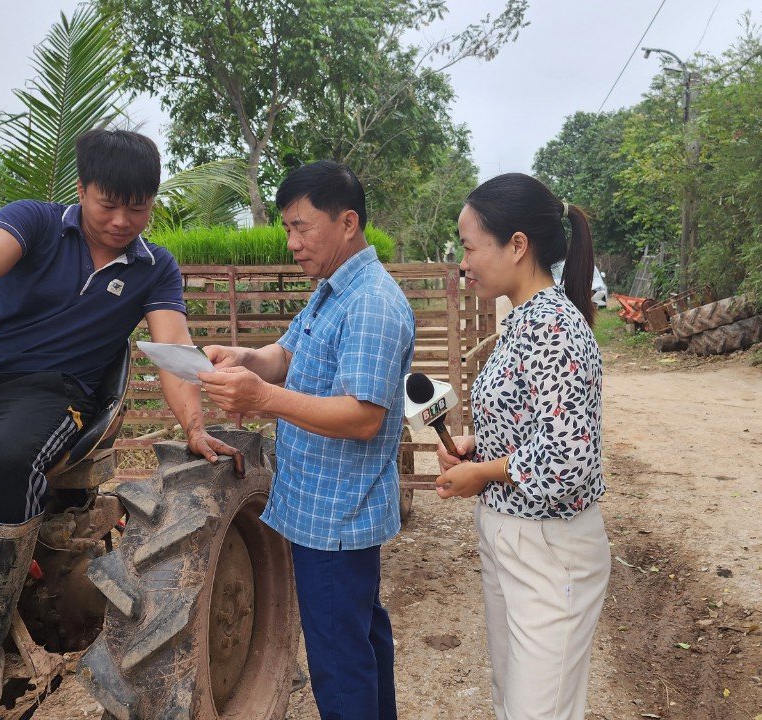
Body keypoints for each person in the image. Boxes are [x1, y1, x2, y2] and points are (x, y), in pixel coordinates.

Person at [0, 129, 238, 720]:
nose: (121, 220)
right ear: (81, 190)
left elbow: (172, 347)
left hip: (55, 394)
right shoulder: (33, 221)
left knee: (8, 460)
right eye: (107, 204)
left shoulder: (154, 269)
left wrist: (192, 424)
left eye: (137, 207)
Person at [199, 160, 414, 720]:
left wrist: (261, 398)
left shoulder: (371, 302)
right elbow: (289, 355)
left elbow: (363, 416)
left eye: (302, 227)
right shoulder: (332, 291)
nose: (292, 242)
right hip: (324, 511)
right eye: (288, 228)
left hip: (337, 519)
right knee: (361, 640)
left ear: (347, 223)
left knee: (340, 666)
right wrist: (250, 361)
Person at [434, 173, 609, 720]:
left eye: (469, 247)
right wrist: (477, 445)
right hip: (516, 540)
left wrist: (484, 473)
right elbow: (532, 424)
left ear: (516, 245)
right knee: (514, 703)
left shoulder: (555, 327)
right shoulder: (522, 321)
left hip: (548, 549)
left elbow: (568, 457)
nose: (464, 263)